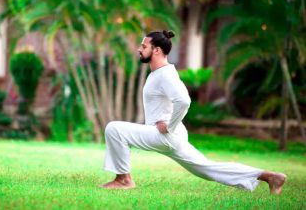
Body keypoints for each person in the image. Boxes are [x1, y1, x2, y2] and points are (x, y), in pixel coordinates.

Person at [101, 30, 286, 194]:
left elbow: (184, 100)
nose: (139, 49)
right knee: (207, 169)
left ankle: (123, 180)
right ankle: (270, 177)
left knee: (114, 129)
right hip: (169, 135)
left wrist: (170, 127)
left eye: (144, 46)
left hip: (165, 135)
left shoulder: (165, 74)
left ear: (156, 50)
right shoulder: (158, 73)